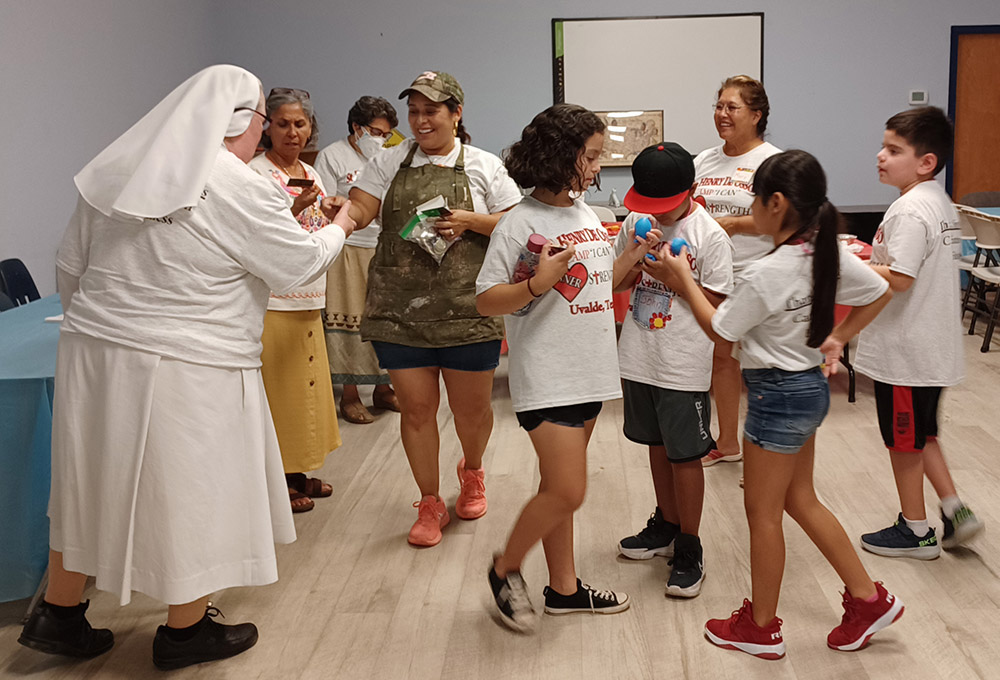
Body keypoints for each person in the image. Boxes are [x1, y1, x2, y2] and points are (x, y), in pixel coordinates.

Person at [17, 65, 356, 669]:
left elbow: (71, 266)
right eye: (259, 121)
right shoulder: (234, 182)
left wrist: (105, 330)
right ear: (239, 122)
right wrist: (342, 224)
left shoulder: (117, 168)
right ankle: (185, 631)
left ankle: (60, 615)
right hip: (191, 361)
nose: (262, 134)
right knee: (193, 488)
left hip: (94, 352)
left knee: (89, 476)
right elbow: (299, 265)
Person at [657, 150, 900, 660]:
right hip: (808, 389)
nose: (750, 210)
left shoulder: (764, 275)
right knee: (801, 500)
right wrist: (838, 337)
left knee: (762, 514)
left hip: (774, 395)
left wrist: (683, 280)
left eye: (754, 202)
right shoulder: (822, 253)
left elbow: (721, 333)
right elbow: (879, 290)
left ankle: (761, 628)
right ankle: (867, 599)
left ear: (777, 203)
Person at [341, 71, 522, 546]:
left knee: (472, 413)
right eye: (414, 111)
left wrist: (471, 221)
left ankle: (473, 469)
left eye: (432, 111)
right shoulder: (388, 161)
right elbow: (362, 207)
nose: (420, 121)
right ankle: (428, 501)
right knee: (417, 410)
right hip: (400, 310)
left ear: (456, 113)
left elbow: (514, 223)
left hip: (468, 307)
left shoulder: (483, 165)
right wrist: (339, 217)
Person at [478, 103, 629, 633]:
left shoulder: (583, 213)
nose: (597, 167)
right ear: (560, 156)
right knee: (568, 491)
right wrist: (537, 284)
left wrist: (636, 253)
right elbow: (488, 299)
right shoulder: (518, 223)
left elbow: (599, 282)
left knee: (556, 486)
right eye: (590, 157)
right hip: (548, 375)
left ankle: (563, 589)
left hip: (589, 368)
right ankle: (505, 567)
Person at [856, 107, 985, 558]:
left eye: (893, 150)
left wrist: (855, 265)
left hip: (906, 353)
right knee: (923, 434)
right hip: (932, 350)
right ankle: (954, 509)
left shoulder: (909, 209)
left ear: (926, 162)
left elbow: (901, 277)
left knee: (904, 441)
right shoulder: (936, 200)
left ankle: (915, 531)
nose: (881, 156)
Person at [613, 142, 734, 598]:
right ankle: (666, 523)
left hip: (683, 362)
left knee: (685, 454)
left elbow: (720, 308)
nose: (657, 216)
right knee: (655, 443)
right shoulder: (634, 222)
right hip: (640, 354)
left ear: (692, 190)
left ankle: (690, 544)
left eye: (665, 208)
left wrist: (676, 280)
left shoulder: (709, 235)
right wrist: (634, 255)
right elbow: (618, 281)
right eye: (649, 207)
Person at [249, 87, 342, 513]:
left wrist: (333, 213)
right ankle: (276, 478)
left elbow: (316, 224)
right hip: (272, 299)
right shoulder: (254, 173)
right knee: (278, 391)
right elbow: (256, 236)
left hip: (309, 295)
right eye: (282, 123)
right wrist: (293, 210)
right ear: (266, 127)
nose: (292, 132)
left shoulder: (311, 170)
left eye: (300, 124)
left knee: (308, 388)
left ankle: (300, 471)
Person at [694, 75, 782, 468]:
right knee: (721, 360)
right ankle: (727, 442)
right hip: (713, 275)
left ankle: (771, 454)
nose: (722, 114)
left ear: (756, 114)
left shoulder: (772, 162)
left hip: (758, 275)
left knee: (764, 365)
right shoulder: (704, 160)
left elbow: (783, 219)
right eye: (719, 106)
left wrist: (731, 224)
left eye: (732, 107)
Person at [314, 96, 401, 425]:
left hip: (382, 248)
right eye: (376, 132)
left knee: (382, 323)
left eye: (387, 134)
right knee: (348, 319)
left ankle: (382, 388)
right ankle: (351, 395)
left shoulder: (387, 157)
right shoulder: (332, 157)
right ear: (356, 128)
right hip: (346, 249)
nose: (381, 139)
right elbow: (322, 206)